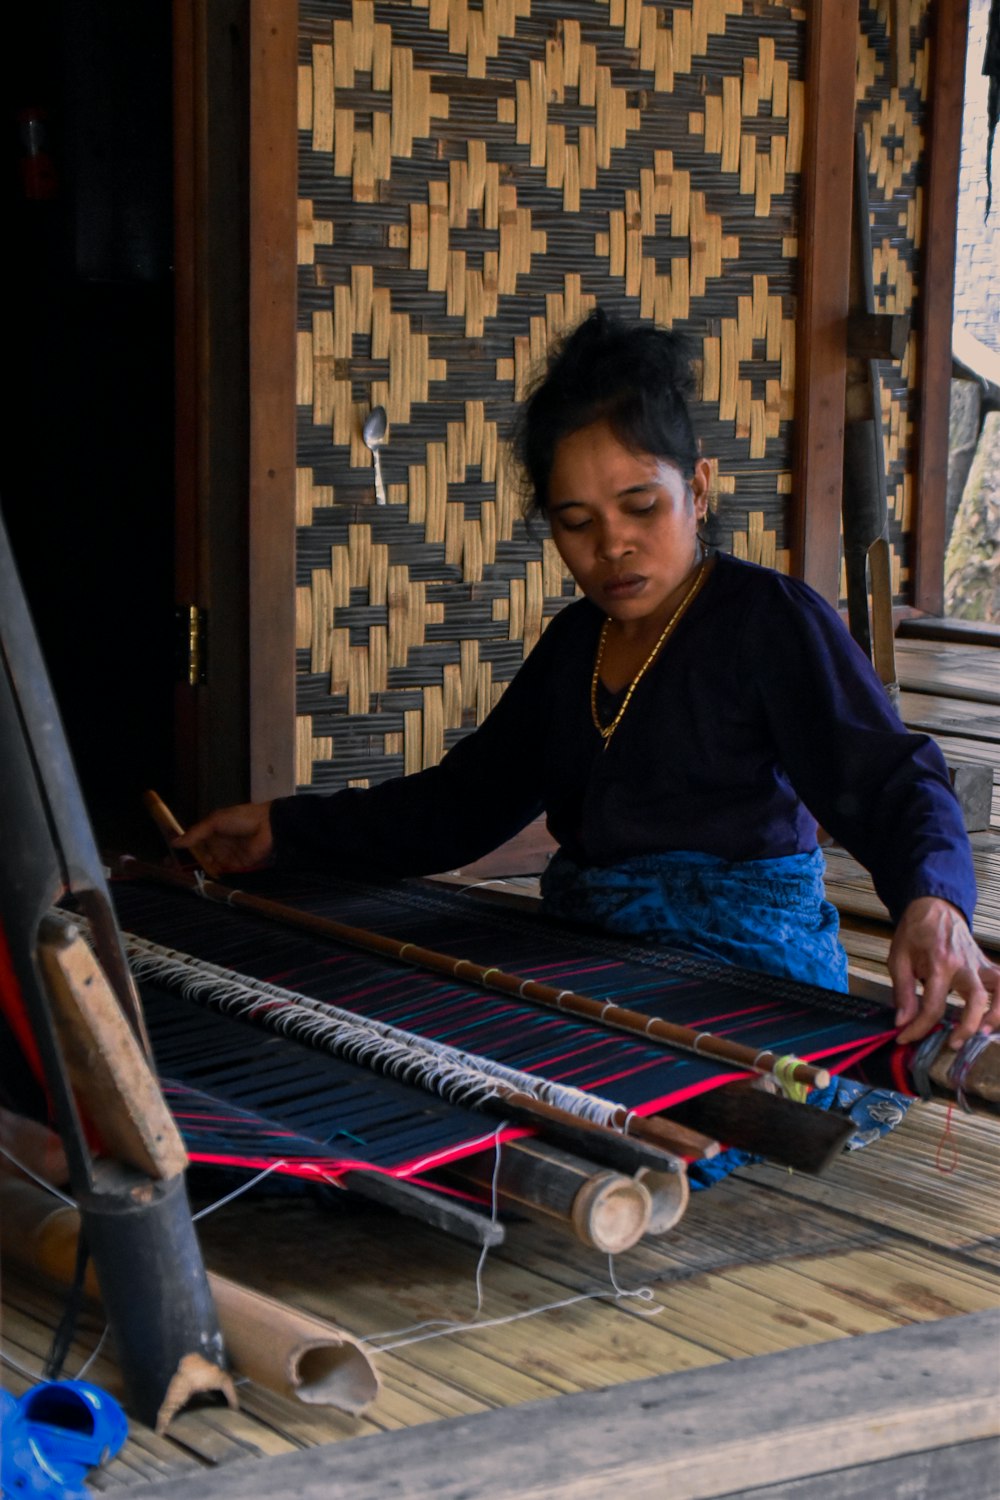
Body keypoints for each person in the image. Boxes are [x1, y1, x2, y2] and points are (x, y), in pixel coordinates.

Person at [178, 309, 999, 1053]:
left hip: (743, 978)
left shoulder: (769, 621)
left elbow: (891, 778)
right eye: (577, 523)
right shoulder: (577, 643)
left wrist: (933, 904)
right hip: (590, 961)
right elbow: (459, 805)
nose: (613, 546)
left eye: (641, 506)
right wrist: (284, 831)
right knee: (372, 1046)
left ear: (699, 488)